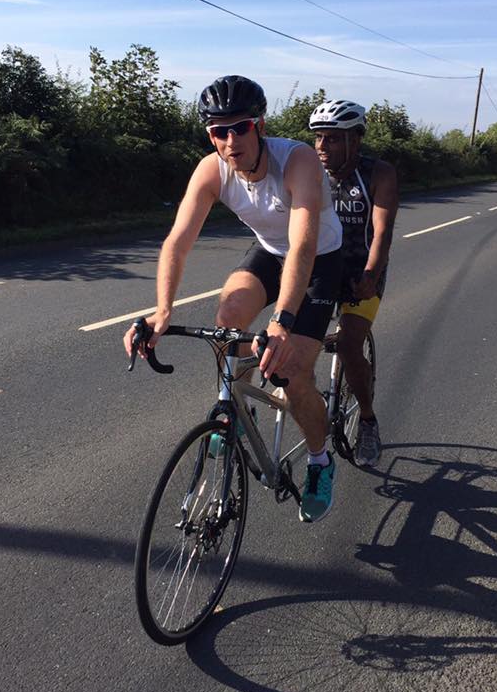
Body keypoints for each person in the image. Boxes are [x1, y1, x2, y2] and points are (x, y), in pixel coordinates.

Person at [124, 75, 343, 523]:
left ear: (259, 126)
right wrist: (163, 310)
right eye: (218, 131)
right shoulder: (212, 169)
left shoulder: (297, 160)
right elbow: (177, 242)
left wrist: (282, 321)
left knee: (294, 370)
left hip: (319, 258)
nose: (229, 139)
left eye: (239, 127)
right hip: (269, 250)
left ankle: (321, 461)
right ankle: (237, 406)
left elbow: (301, 246)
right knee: (228, 319)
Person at [309, 99, 399, 467]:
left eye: (331, 139)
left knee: (348, 345)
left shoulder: (379, 174)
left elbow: (382, 233)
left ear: (355, 141)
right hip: (322, 269)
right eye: (318, 139)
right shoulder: (310, 173)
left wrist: (370, 275)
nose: (321, 147)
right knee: (290, 340)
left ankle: (367, 419)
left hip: (363, 271)